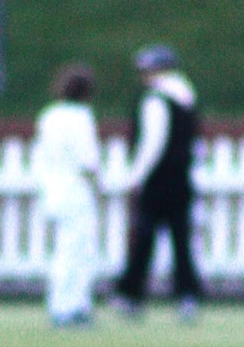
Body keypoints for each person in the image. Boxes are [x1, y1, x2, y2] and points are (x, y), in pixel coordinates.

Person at [114, 45, 202, 318]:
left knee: (144, 239)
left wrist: (136, 177)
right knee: (181, 240)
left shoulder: (156, 99)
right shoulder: (187, 97)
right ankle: (187, 294)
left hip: (158, 180)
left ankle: (131, 294)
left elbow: (152, 143)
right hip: (181, 178)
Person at [33, 64, 102, 326]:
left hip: (52, 188)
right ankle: (72, 306)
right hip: (76, 189)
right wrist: (97, 185)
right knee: (77, 251)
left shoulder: (49, 115)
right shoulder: (81, 117)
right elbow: (87, 159)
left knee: (63, 249)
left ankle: (60, 304)